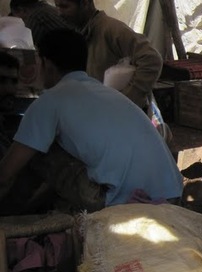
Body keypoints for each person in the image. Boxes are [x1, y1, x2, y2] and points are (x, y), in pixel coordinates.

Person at [0, 28, 182, 214]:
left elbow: (6, 172)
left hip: (124, 201)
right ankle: (40, 209)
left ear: (46, 63)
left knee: (36, 152)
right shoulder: (107, 93)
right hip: (172, 192)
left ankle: (12, 216)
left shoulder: (48, 101)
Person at [54, 0, 162, 109]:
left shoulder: (111, 29)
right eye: (57, 7)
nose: (59, 13)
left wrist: (127, 98)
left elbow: (151, 59)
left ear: (85, 3)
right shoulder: (78, 35)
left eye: (64, 7)